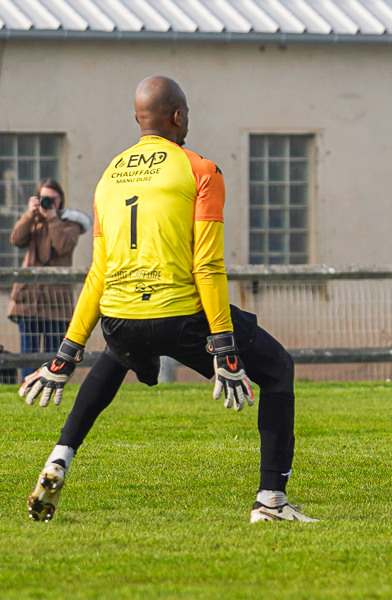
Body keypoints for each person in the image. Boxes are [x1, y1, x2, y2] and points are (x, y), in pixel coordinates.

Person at [20, 76, 316, 524]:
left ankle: (61, 454)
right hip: (181, 317)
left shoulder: (108, 177)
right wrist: (226, 347)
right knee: (277, 370)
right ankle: (272, 501)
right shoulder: (201, 169)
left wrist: (66, 355)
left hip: (118, 318)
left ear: (139, 120)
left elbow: (98, 271)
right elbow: (208, 266)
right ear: (178, 117)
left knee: (119, 354)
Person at [7, 179, 91, 381]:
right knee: (29, 352)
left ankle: (49, 386)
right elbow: (16, 240)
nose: (48, 202)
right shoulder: (32, 219)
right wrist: (29, 214)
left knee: (55, 353)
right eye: (44, 198)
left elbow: (64, 246)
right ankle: (27, 386)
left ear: (60, 199)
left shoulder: (71, 222)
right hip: (29, 299)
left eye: (52, 198)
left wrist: (53, 217)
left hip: (56, 300)